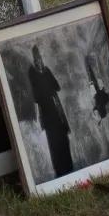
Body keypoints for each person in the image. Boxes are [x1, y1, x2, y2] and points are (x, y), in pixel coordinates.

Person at [28, 43, 74, 178]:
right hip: (47, 113)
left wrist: (45, 74)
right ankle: (60, 170)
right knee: (54, 142)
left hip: (56, 110)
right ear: (34, 61)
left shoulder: (46, 71)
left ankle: (68, 166)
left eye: (40, 58)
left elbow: (57, 87)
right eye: (36, 59)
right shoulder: (33, 74)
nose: (39, 61)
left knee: (63, 139)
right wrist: (40, 76)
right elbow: (36, 97)